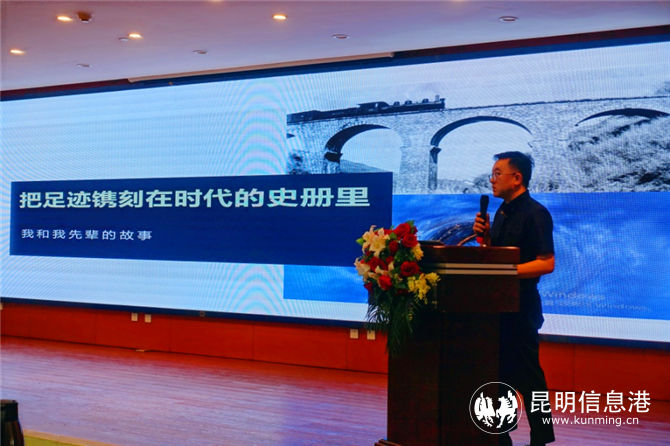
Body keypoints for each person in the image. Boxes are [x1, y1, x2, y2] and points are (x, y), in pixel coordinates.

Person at [473, 151, 556, 446]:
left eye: (497, 174)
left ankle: (541, 438)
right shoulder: (502, 212)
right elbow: (499, 255)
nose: (492, 180)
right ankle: (501, 435)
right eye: (492, 174)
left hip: (522, 306)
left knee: (529, 377)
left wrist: (506, 272)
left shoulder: (535, 213)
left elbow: (547, 263)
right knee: (499, 374)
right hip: (498, 305)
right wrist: (485, 239)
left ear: (517, 178)